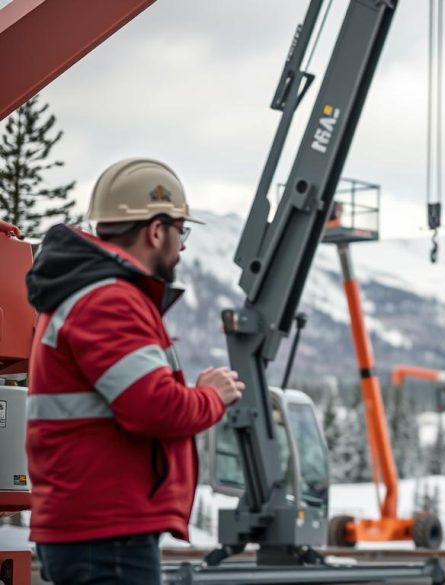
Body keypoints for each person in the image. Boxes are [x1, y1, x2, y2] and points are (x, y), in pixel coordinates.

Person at [25, 158, 244, 585]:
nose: (182, 246)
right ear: (156, 230)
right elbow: (154, 407)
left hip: (98, 528)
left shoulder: (94, 293)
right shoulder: (110, 301)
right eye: (181, 231)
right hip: (106, 533)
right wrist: (211, 396)